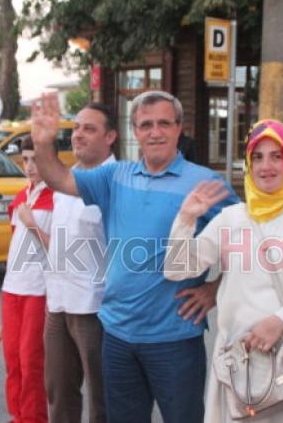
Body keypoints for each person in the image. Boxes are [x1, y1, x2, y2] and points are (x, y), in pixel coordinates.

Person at [31, 90, 239, 423]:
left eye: (163, 123)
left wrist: (215, 289)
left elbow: (244, 240)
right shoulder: (115, 176)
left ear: (178, 128)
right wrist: (43, 144)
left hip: (174, 337)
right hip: (117, 335)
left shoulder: (205, 182)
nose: (155, 132)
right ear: (135, 131)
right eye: (145, 125)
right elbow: (60, 178)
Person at [165, 119, 283, 423]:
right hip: (241, 365)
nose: (266, 166)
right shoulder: (232, 218)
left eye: (275, 156)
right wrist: (185, 219)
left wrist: (281, 321)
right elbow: (177, 269)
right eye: (257, 157)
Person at [44, 103, 116, 423]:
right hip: (58, 301)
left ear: (110, 136)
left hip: (95, 305)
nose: (79, 135)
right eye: (76, 128)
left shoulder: (117, 181)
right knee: (58, 390)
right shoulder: (65, 179)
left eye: (89, 128)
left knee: (103, 396)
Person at [1, 135, 54, 423]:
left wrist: (33, 225)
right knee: (12, 358)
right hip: (12, 289)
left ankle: (34, 418)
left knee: (31, 360)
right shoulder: (21, 196)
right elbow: (15, 249)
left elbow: (62, 251)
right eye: (26, 160)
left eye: (36, 159)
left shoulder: (58, 197)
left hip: (39, 290)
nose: (30, 166)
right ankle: (18, 415)